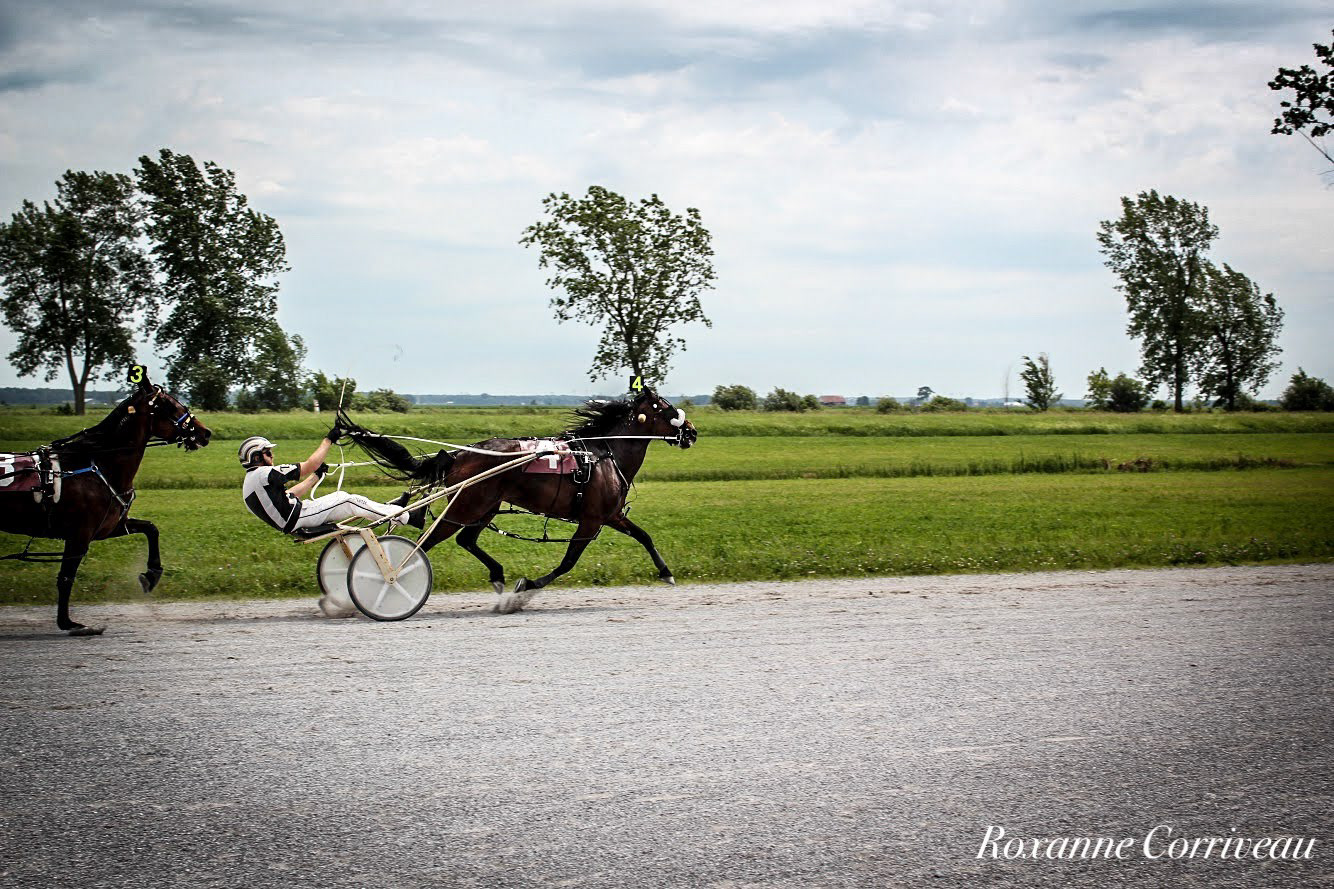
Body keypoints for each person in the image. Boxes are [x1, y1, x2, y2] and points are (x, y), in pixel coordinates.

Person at [238, 422, 411, 533]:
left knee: (341, 496)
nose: (272, 455)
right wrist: (328, 440)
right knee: (348, 501)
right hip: (299, 517)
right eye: (268, 453)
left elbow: (290, 494)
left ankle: (388, 509)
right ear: (256, 457)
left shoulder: (252, 482)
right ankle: (404, 516)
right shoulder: (263, 474)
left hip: (295, 518)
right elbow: (310, 464)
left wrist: (316, 476)